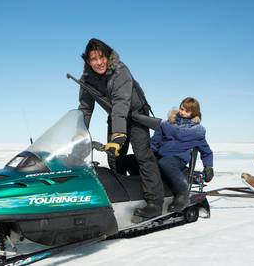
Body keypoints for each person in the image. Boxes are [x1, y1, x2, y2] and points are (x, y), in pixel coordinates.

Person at [78, 38, 164, 219]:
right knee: (115, 157)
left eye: (101, 57)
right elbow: (85, 108)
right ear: (88, 61)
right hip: (116, 115)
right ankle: (122, 195)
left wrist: (118, 136)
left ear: (108, 57)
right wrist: (79, 132)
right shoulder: (87, 78)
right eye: (93, 59)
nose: (99, 62)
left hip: (136, 114)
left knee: (143, 156)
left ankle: (155, 202)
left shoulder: (120, 71)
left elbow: (121, 103)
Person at [151, 97, 214, 212]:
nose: (183, 112)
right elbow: (155, 141)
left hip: (177, 158)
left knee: (165, 162)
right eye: (182, 108)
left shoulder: (196, 132)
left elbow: (206, 151)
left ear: (193, 113)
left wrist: (208, 166)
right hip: (162, 155)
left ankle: (182, 192)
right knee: (136, 161)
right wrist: (148, 153)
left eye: (187, 111)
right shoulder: (166, 124)